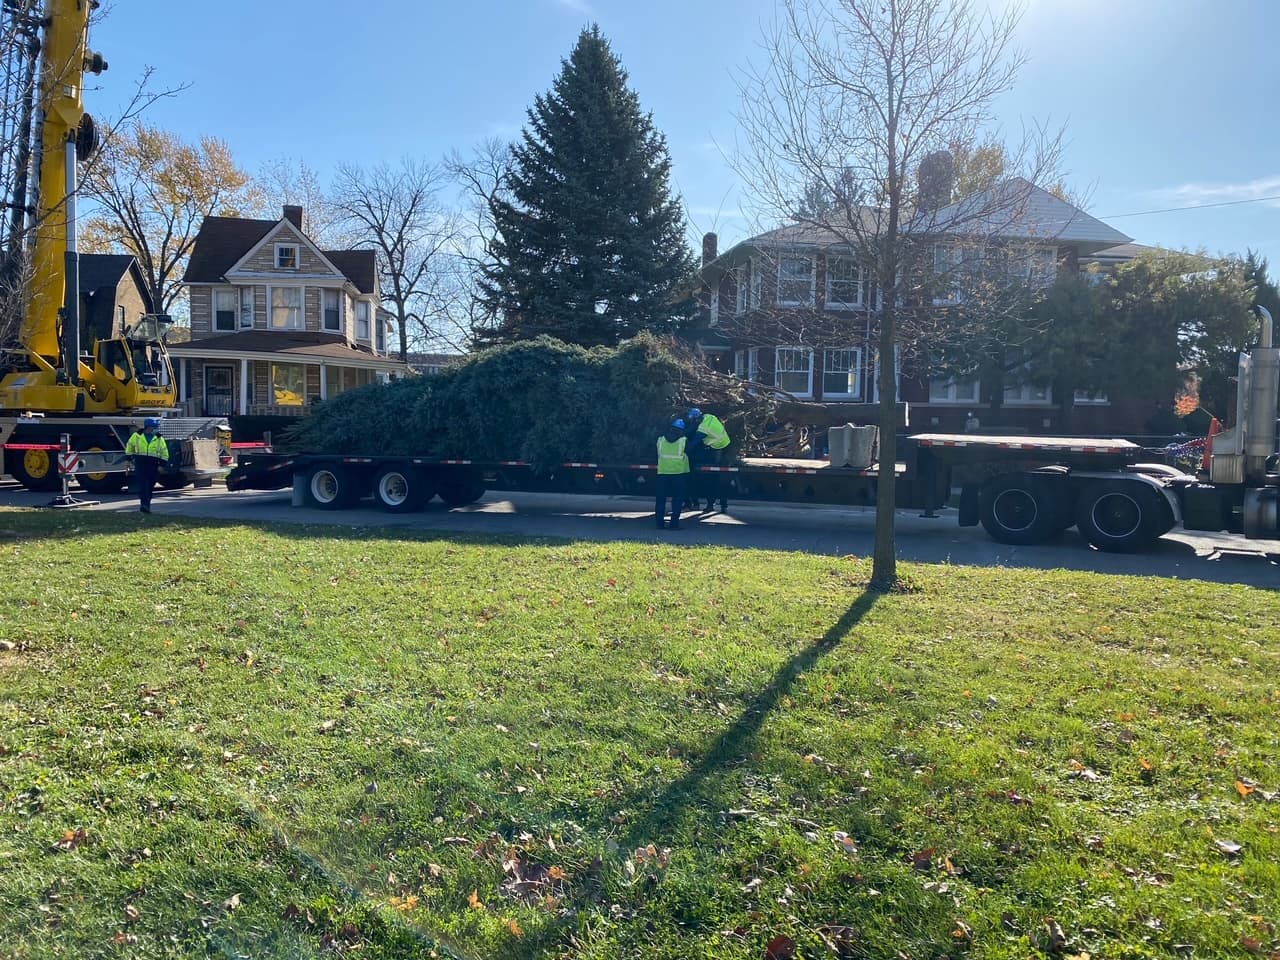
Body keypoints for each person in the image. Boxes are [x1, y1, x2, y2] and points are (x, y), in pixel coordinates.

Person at [686, 407, 732, 512]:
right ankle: (720, 504)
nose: (692, 423)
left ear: (696, 419)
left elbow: (693, 444)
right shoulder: (709, 416)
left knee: (712, 473)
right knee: (718, 475)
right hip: (725, 441)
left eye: (693, 421)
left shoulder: (703, 429)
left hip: (718, 446)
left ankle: (710, 504)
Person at [125, 417, 169, 513]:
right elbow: (129, 446)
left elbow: (164, 451)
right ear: (148, 427)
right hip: (141, 463)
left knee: (150, 485)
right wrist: (128, 460)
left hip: (153, 464)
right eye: (153, 427)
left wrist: (162, 465)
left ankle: (146, 503)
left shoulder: (158, 437)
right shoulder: (136, 436)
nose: (154, 429)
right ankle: (144, 505)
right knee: (143, 485)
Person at [655, 417, 690, 529]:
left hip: (662, 473)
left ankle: (659, 524)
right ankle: (674, 524)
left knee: (660, 499)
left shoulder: (660, 440)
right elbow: (690, 451)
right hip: (678, 473)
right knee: (677, 499)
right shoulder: (683, 440)